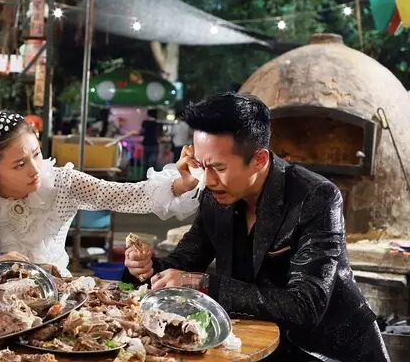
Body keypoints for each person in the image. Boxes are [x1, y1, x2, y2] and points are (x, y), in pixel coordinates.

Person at [124, 93, 389, 361]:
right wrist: (148, 268)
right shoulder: (215, 194)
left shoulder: (317, 196)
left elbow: (305, 306)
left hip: (328, 352)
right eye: (201, 166)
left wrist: (201, 282)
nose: (208, 180)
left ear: (259, 160)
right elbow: (184, 262)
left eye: (218, 168)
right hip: (258, 345)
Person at [0, 107, 201, 277]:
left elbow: (125, 195)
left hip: (57, 299)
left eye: (36, 154)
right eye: (20, 164)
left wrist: (181, 184)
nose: (35, 169)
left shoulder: (64, 183)